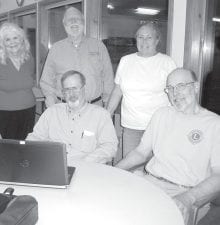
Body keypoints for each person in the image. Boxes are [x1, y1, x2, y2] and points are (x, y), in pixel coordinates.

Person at [116, 68, 220, 224]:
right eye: (170, 88)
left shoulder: (214, 124)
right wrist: (114, 170)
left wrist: (188, 198)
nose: (174, 93)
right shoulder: (161, 114)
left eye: (181, 86)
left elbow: (218, 175)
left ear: (196, 87)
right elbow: (141, 152)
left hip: (183, 191)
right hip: (148, 182)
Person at [106, 22, 177, 158]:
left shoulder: (167, 63)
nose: (144, 41)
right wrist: (107, 114)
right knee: (131, 170)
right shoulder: (125, 61)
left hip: (158, 128)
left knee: (156, 170)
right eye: (140, 37)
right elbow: (117, 91)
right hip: (131, 127)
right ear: (136, 39)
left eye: (149, 37)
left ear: (157, 40)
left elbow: (175, 95)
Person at [27, 70, 118, 164]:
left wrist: (85, 162)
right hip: (54, 166)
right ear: (63, 92)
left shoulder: (101, 115)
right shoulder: (52, 112)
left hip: (88, 168)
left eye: (75, 88)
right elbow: (34, 139)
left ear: (84, 88)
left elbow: (109, 147)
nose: (72, 94)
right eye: (67, 90)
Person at [40, 7, 114, 108]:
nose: (74, 22)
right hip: (63, 107)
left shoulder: (98, 46)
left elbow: (108, 77)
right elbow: (46, 80)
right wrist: (51, 103)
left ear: (83, 22)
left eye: (77, 19)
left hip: (93, 107)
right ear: (64, 24)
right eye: (70, 20)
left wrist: (108, 104)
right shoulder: (55, 49)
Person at [0, 22, 36, 140]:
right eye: (7, 39)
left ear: (21, 39)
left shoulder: (29, 58)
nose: (12, 42)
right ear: (2, 43)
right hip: (4, 113)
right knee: (7, 148)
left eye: (15, 38)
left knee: (26, 145)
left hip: (28, 110)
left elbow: (30, 78)